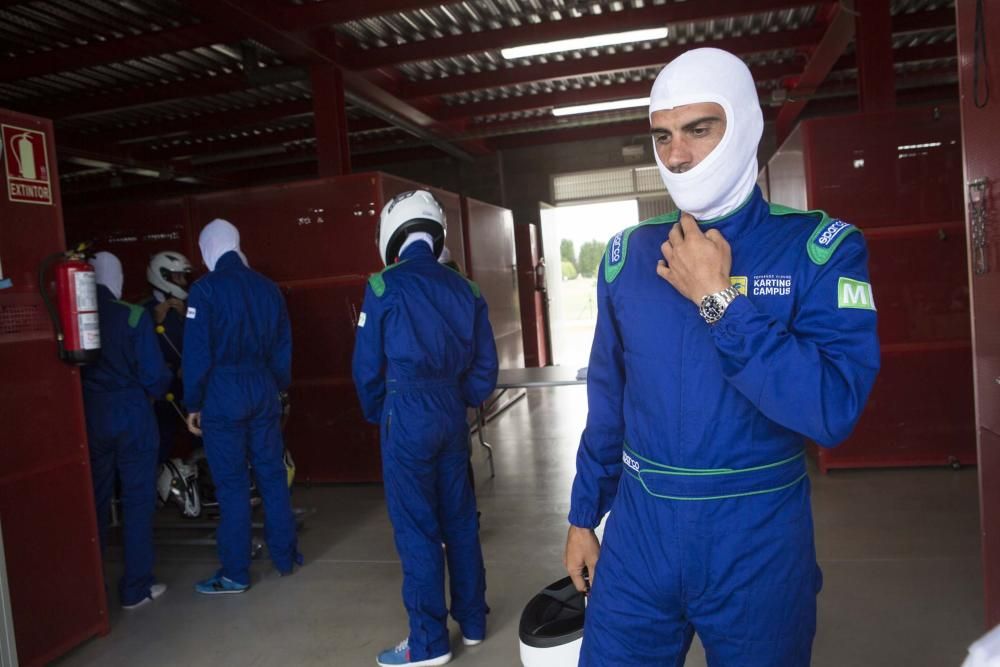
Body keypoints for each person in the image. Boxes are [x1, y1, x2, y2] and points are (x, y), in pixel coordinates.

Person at [563, 47, 881, 665]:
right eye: (662, 136)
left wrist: (719, 302)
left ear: (745, 126)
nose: (677, 155)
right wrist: (583, 515)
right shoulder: (628, 257)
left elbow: (833, 408)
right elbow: (608, 403)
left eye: (698, 129)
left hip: (757, 538)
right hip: (639, 534)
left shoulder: (818, 251)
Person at [353, 190, 498, 667]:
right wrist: (464, 398)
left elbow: (366, 369)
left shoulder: (381, 288)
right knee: (460, 519)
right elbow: (484, 368)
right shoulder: (467, 289)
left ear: (393, 233)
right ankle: (474, 622)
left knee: (417, 528)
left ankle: (429, 643)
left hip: (407, 411)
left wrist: (383, 413)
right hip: (449, 411)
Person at [182, 218, 299, 594]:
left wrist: (193, 402)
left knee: (232, 485)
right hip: (263, 388)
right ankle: (286, 557)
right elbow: (283, 348)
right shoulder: (268, 289)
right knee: (272, 477)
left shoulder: (205, 291)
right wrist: (277, 388)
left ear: (209, 249)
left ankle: (235, 573)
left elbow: (196, 355)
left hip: (222, 394)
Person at [82, 251, 172, 609]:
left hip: (89, 414)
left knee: (94, 501)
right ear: (117, 278)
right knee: (137, 501)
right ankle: (136, 588)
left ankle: (91, 593)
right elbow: (154, 376)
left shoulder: (75, 317)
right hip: (131, 413)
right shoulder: (133, 315)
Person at [142, 250, 193, 462]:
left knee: (200, 439)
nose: (182, 282)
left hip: (189, 388)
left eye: (184, 277)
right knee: (161, 441)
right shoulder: (143, 310)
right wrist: (153, 321)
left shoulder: (191, 308)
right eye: (178, 277)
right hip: (161, 392)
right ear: (162, 276)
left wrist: (185, 316)